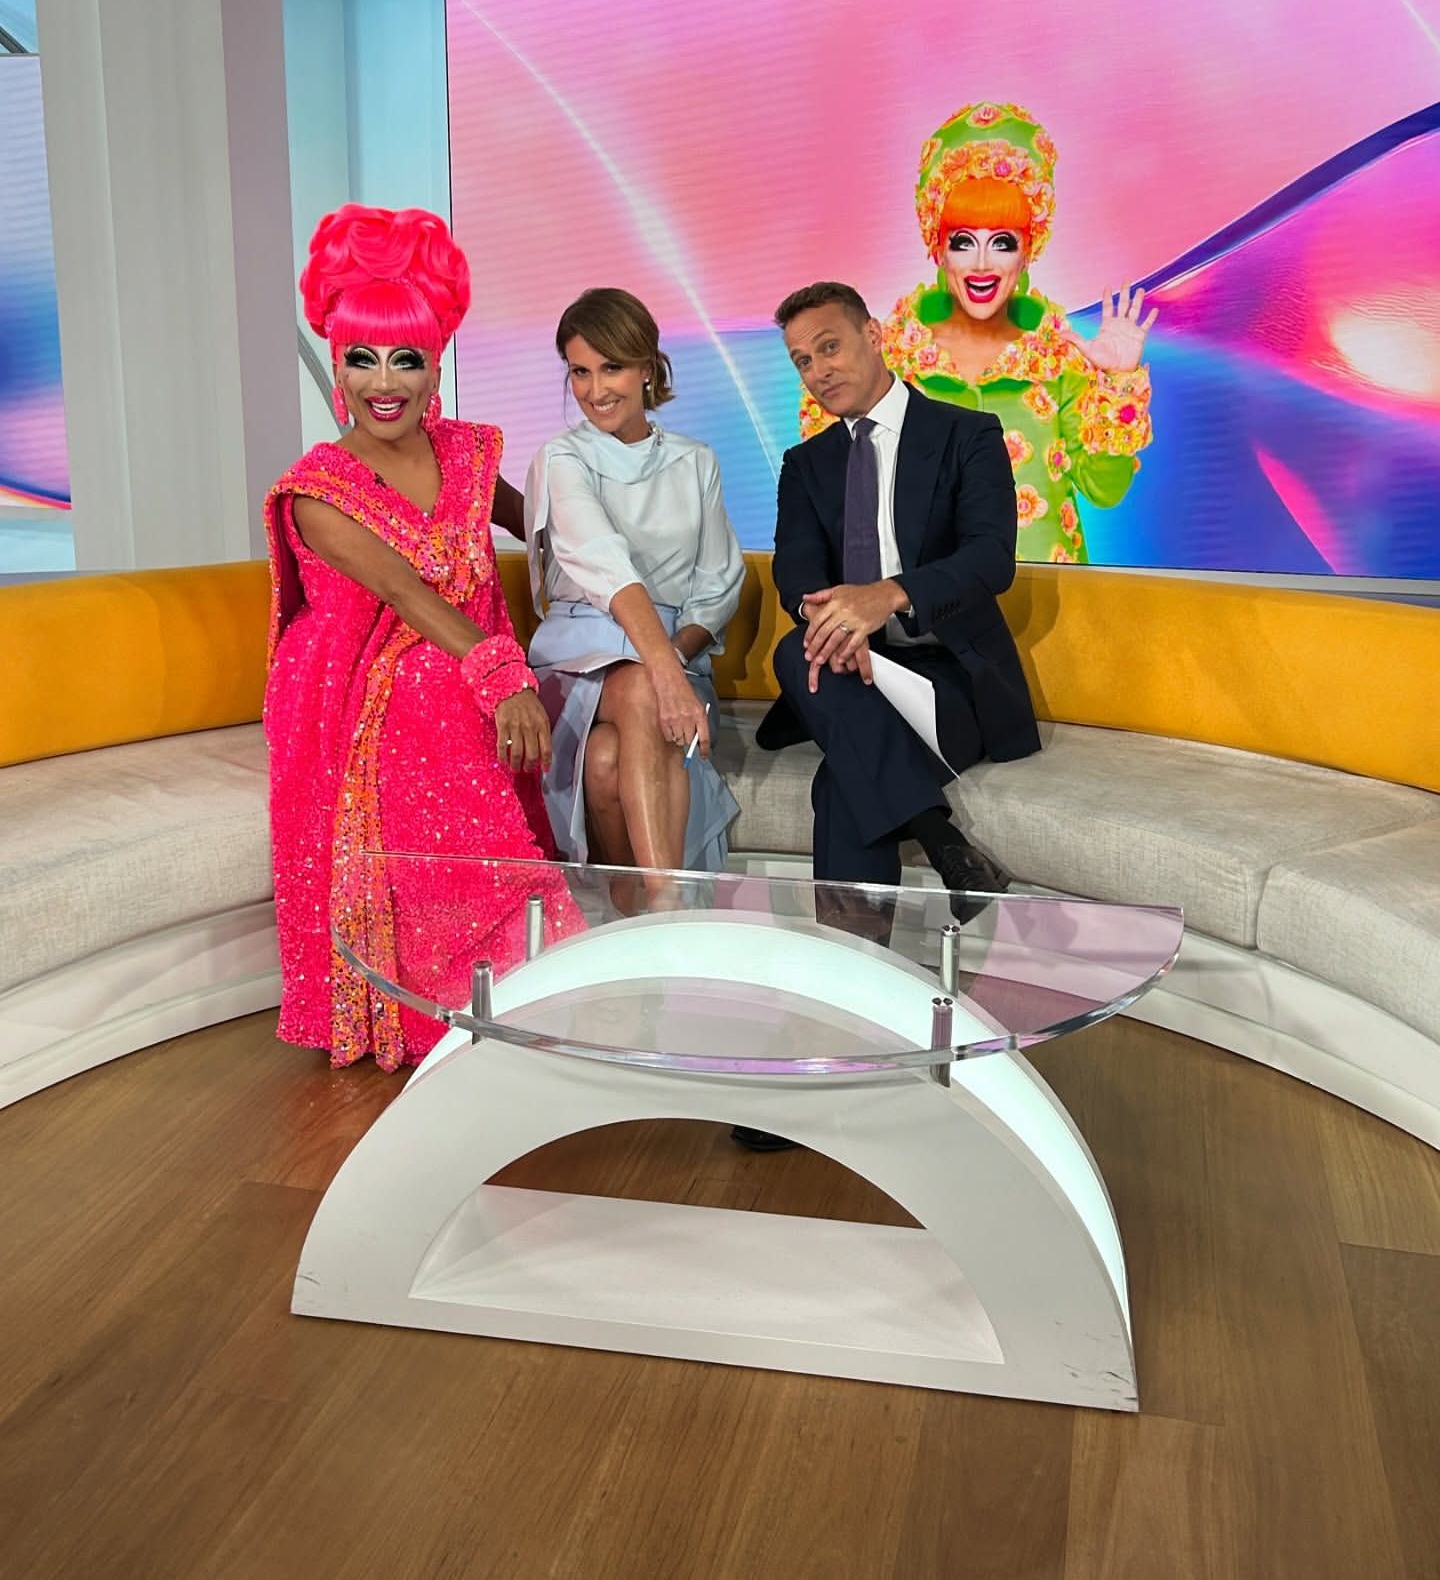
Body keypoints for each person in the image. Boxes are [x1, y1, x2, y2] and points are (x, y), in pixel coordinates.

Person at [265, 203, 581, 1071]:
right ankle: (457, 996)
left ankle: (523, 978)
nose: (384, 381)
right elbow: (403, 591)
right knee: (430, 688)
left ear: (436, 363)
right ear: (337, 366)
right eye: (361, 358)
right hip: (352, 686)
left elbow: (546, 525)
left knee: (449, 688)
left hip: (453, 666)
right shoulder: (317, 489)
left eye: (406, 358)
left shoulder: (467, 453)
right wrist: (504, 676)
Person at [760, 280, 1039, 905]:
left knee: (841, 784)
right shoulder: (805, 465)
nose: (818, 371)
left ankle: (850, 964)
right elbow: (795, 572)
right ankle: (945, 845)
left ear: (874, 335)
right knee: (796, 648)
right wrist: (835, 622)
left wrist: (886, 596)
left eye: (829, 347)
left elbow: (991, 559)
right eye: (802, 361)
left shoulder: (966, 434)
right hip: (850, 672)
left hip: (949, 679)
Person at [802, 102, 1156, 564]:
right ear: (938, 246)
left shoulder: (1059, 357)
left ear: (1028, 250)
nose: (983, 264)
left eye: (1003, 242)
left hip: (1045, 598)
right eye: (963, 241)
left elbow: (1104, 490)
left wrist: (1119, 382)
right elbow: (838, 500)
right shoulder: (887, 357)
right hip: (922, 600)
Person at [524, 289, 745, 902]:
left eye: (612, 368)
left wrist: (673, 657)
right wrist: (663, 673)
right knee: (647, 688)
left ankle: (632, 916)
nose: (595, 390)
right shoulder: (562, 457)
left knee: (604, 761)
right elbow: (602, 560)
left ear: (648, 367)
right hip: (579, 656)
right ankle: (667, 903)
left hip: (672, 650)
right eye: (579, 372)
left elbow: (718, 583)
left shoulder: (695, 461)